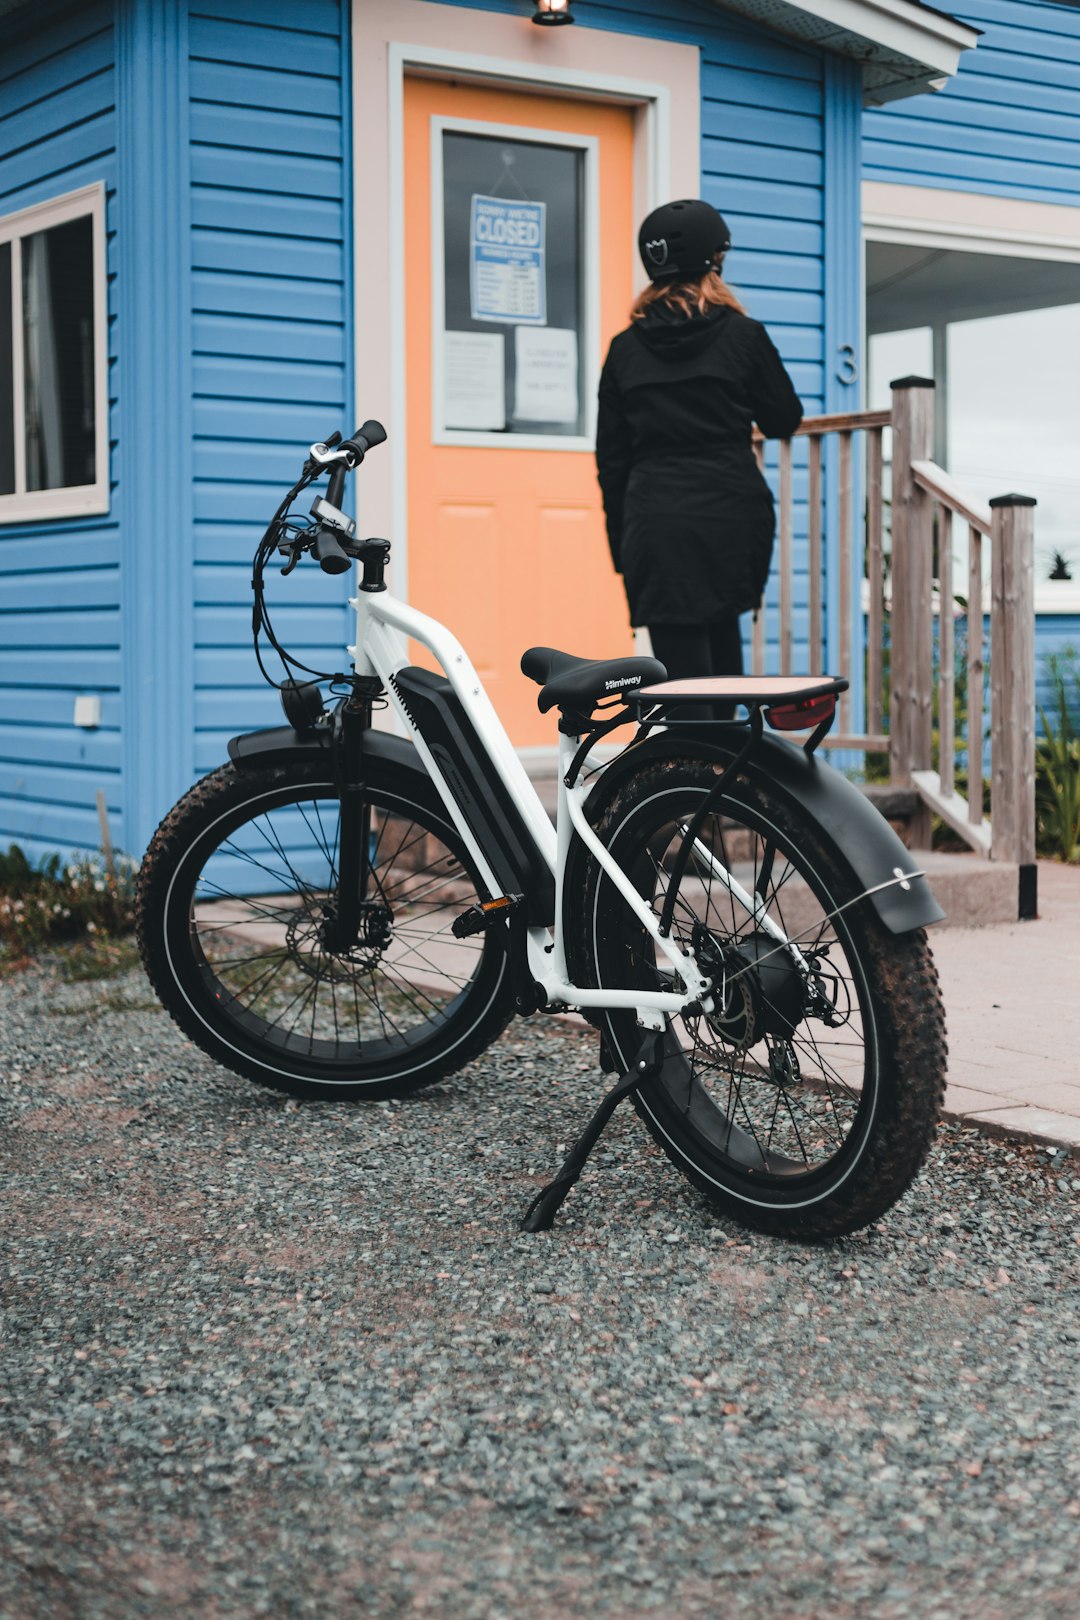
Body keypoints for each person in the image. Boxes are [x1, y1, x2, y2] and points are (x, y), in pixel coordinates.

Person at [595, 198, 803, 693]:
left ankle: (689, 769)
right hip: (731, 515)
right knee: (726, 672)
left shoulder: (624, 350)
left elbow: (611, 461)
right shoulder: (744, 336)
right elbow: (783, 420)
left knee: (682, 688)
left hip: (656, 522)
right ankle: (728, 768)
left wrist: (622, 548)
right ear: (716, 261)